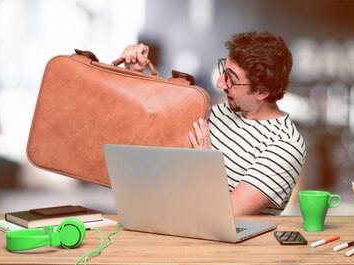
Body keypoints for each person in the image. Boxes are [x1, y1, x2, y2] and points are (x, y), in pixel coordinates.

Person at [120, 31, 306, 216]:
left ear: (262, 92)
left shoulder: (285, 145)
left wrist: (204, 163)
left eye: (231, 79)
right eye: (223, 72)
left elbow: (225, 215)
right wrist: (138, 74)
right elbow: (157, 117)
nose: (219, 83)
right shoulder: (218, 111)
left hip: (216, 244)